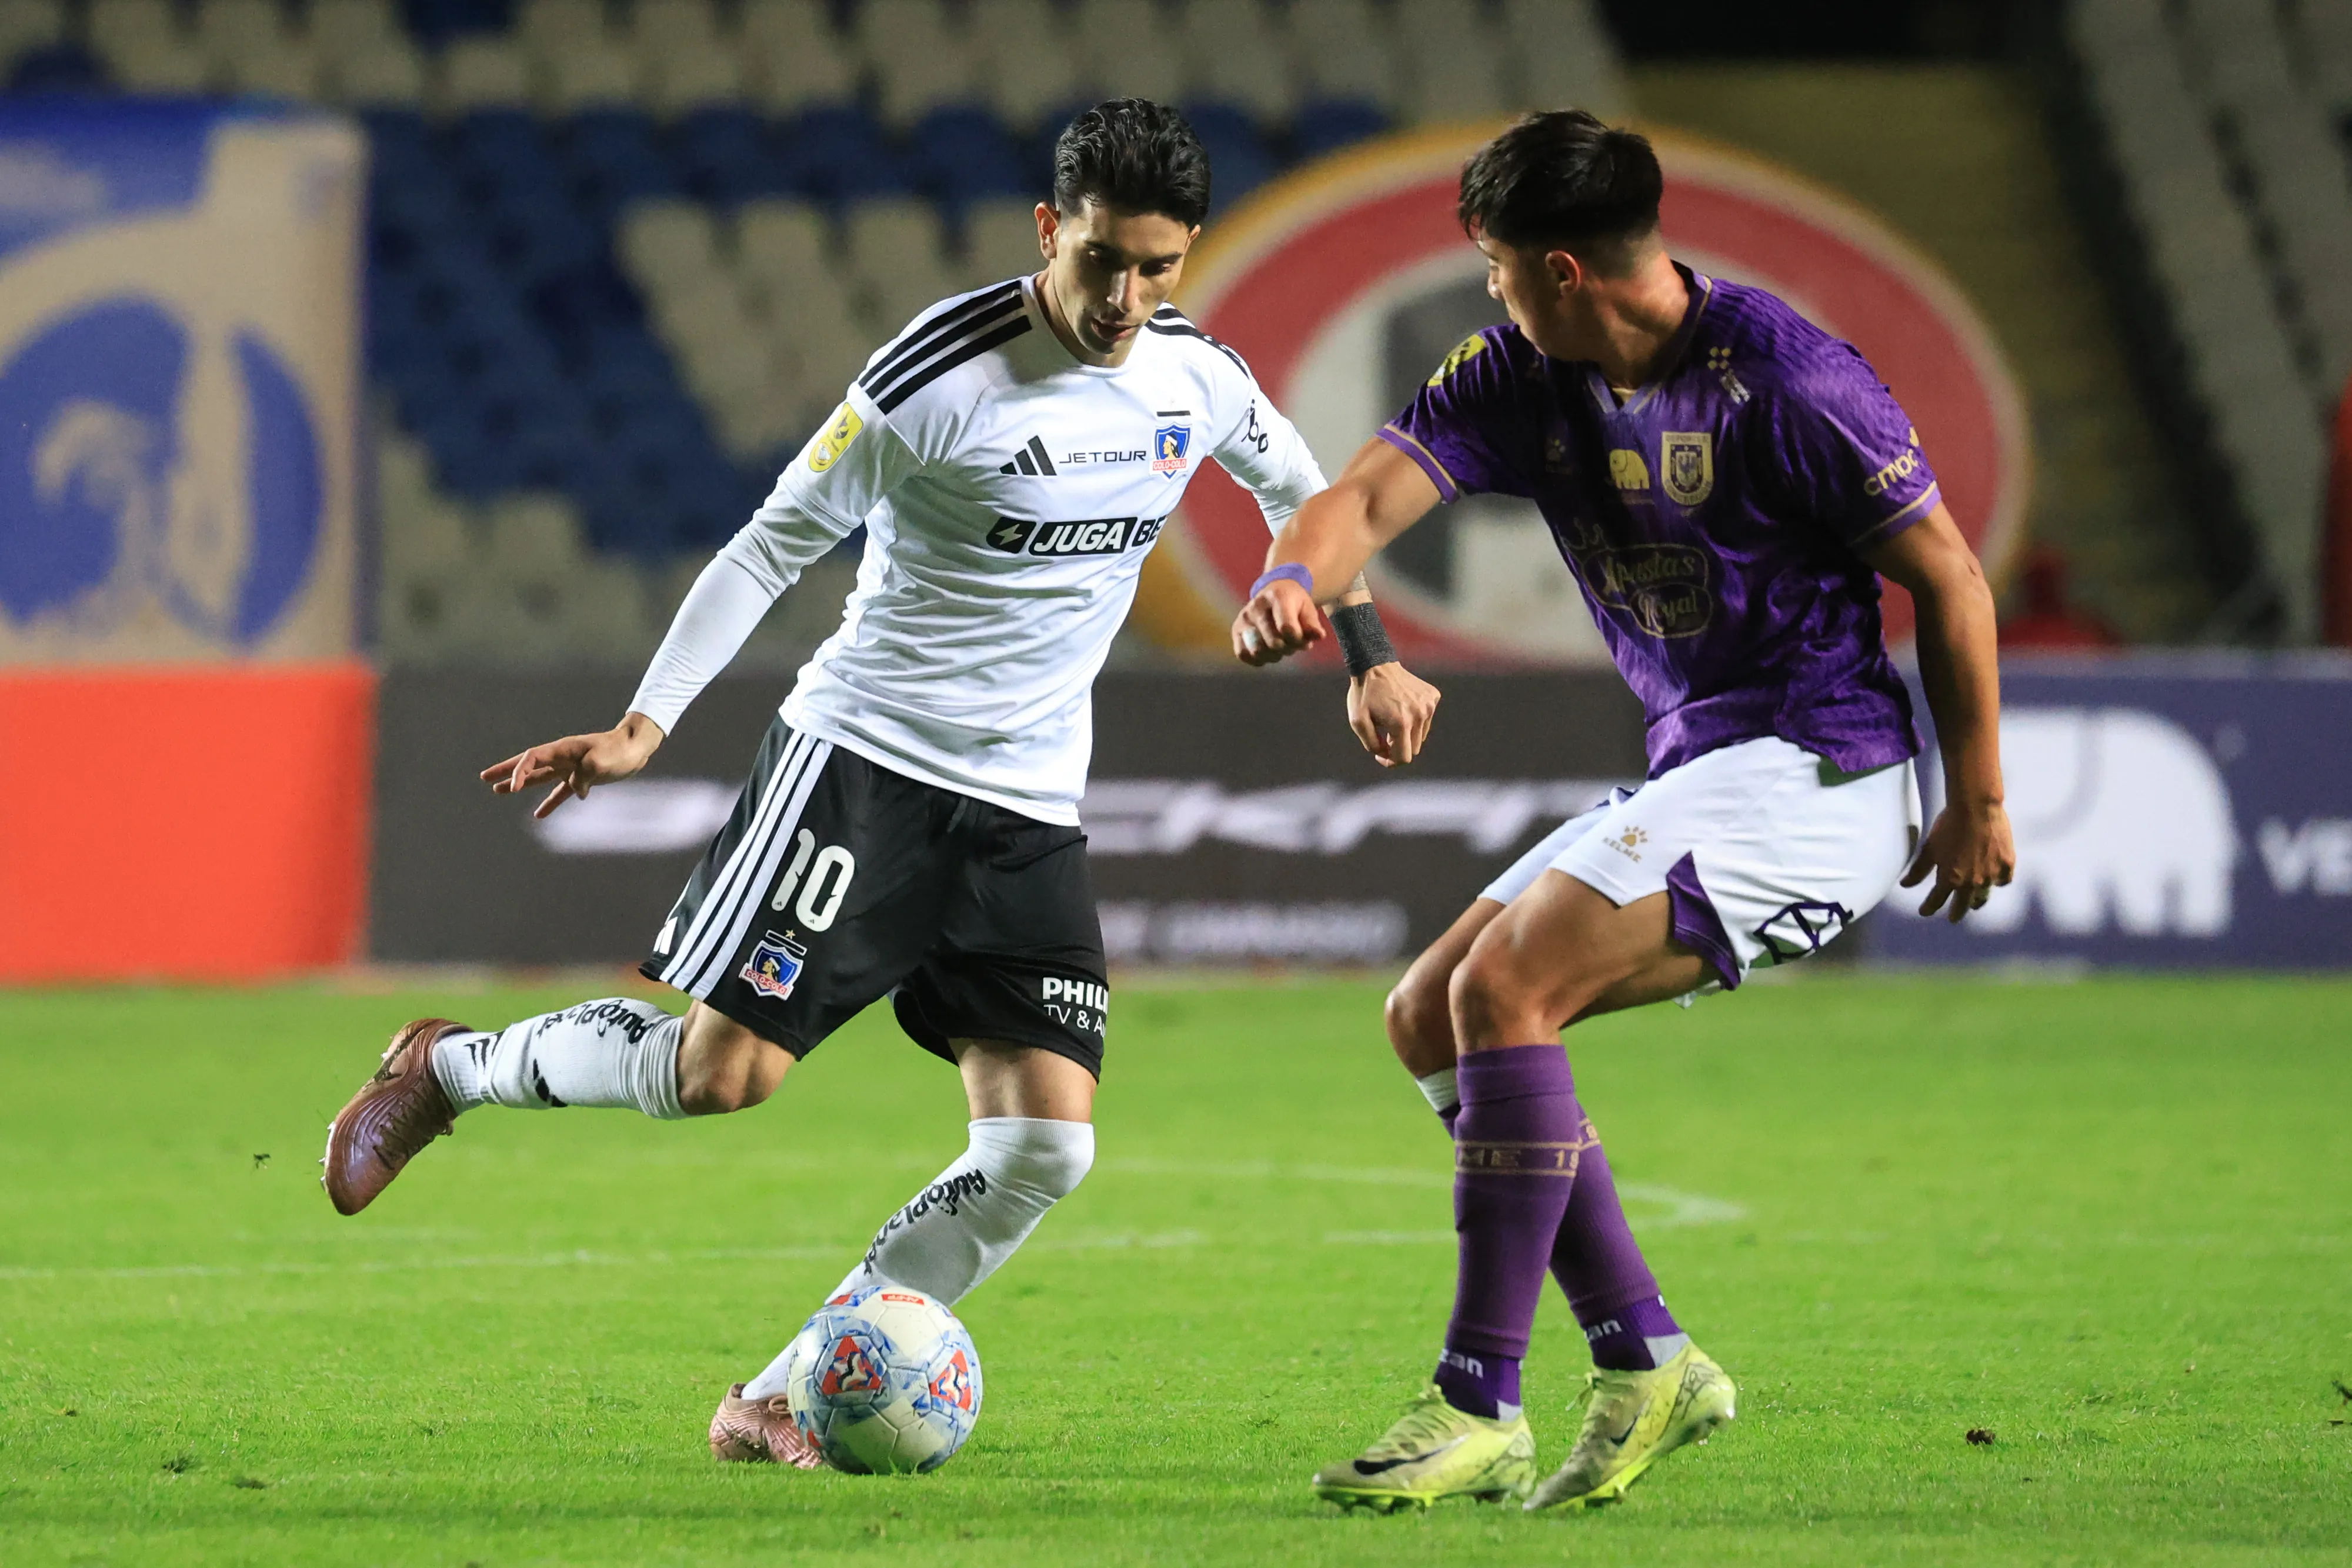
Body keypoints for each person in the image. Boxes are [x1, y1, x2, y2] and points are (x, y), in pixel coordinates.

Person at [323, 99, 1440, 1467]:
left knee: (1045, 1151)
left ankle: (785, 1390)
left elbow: (1306, 493)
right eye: (1104, 261)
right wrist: (643, 725)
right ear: (1050, 229)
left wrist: (1367, 656)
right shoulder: (938, 374)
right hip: (867, 764)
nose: (1128, 298)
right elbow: (767, 545)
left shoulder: (1193, 377)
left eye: (1159, 267)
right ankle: (448, 1066)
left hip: (1029, 806)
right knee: (723, 1073)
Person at [1232, 109, 2014, 1513]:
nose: (1487, 292)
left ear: (1563, 269)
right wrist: (1297, 583)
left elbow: (1949, 580)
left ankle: (1476, 1398)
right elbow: (1356, 496)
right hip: (1704, 765)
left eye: (1496, 266)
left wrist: (1976, 801)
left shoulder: (1790, 379)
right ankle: (1646, 1356)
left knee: (1509, 985)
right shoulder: (1516, 375)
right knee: (1431, 1012)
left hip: (1817, 769)